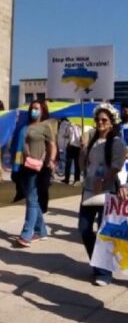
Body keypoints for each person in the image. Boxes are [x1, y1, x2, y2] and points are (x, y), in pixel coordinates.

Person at [78, 103, 126, 286]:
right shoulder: (92, 139)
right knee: (83, 228)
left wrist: (104, 181)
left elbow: (117, 166)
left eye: (104, 120)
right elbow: (85, 166)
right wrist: (82, 151)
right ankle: (97, 263)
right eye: (98, 119)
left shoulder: (116, 143)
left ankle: (103, 272)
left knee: (103, 232)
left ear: (112, 122)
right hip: (89, 189)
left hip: (107, 192)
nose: (100, 122)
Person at [16, 100, 56, 248]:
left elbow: (52, 145)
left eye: (37, 108)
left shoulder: (46, 126)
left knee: (32, 200)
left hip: (37, 167)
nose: (34, 111)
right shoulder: (26, 126)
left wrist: (51, 160)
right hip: (25, 166)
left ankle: (27, 234)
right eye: (32, 108)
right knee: (32, 199)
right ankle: (42, 231)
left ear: (42, 110)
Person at [63, 121, 82, 185]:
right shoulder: (80, 127)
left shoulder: (71, 126)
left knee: (70, 164)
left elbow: (66, 135)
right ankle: (75, 180)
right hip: (76, 147)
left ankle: (68, 179)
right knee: (76, 165)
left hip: (73, 147)